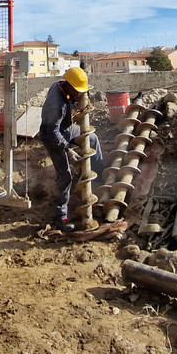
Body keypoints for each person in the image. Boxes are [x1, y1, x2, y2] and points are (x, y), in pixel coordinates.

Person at [39, 67, 104, 232]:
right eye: (77, 91)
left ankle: (100, 176)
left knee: (92, 139)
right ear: (68, 86)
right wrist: (67, 149)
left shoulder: (59, 84)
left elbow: (74, 94)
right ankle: (60, 216)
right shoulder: (56, 106)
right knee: (65, 176)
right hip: (52, 137)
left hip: (65, 129)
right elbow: (52, 133)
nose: (78, 93)